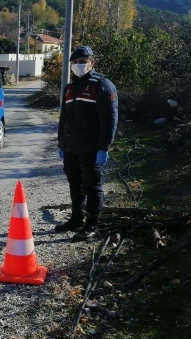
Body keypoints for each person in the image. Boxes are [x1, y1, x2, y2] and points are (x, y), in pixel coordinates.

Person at [56, 46, 118, 241]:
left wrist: (104, 147)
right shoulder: (70, 88)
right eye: (74, 63)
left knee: (92, 186)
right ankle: (77, 219)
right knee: (75, 183)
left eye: (82, 62)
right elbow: (63, 119)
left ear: (93, 62)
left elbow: (110, 119)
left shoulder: (102, 86)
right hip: (71, 146)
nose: (78, 66)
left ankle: (92, 225)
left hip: (91, 147)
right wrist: (61, 144)